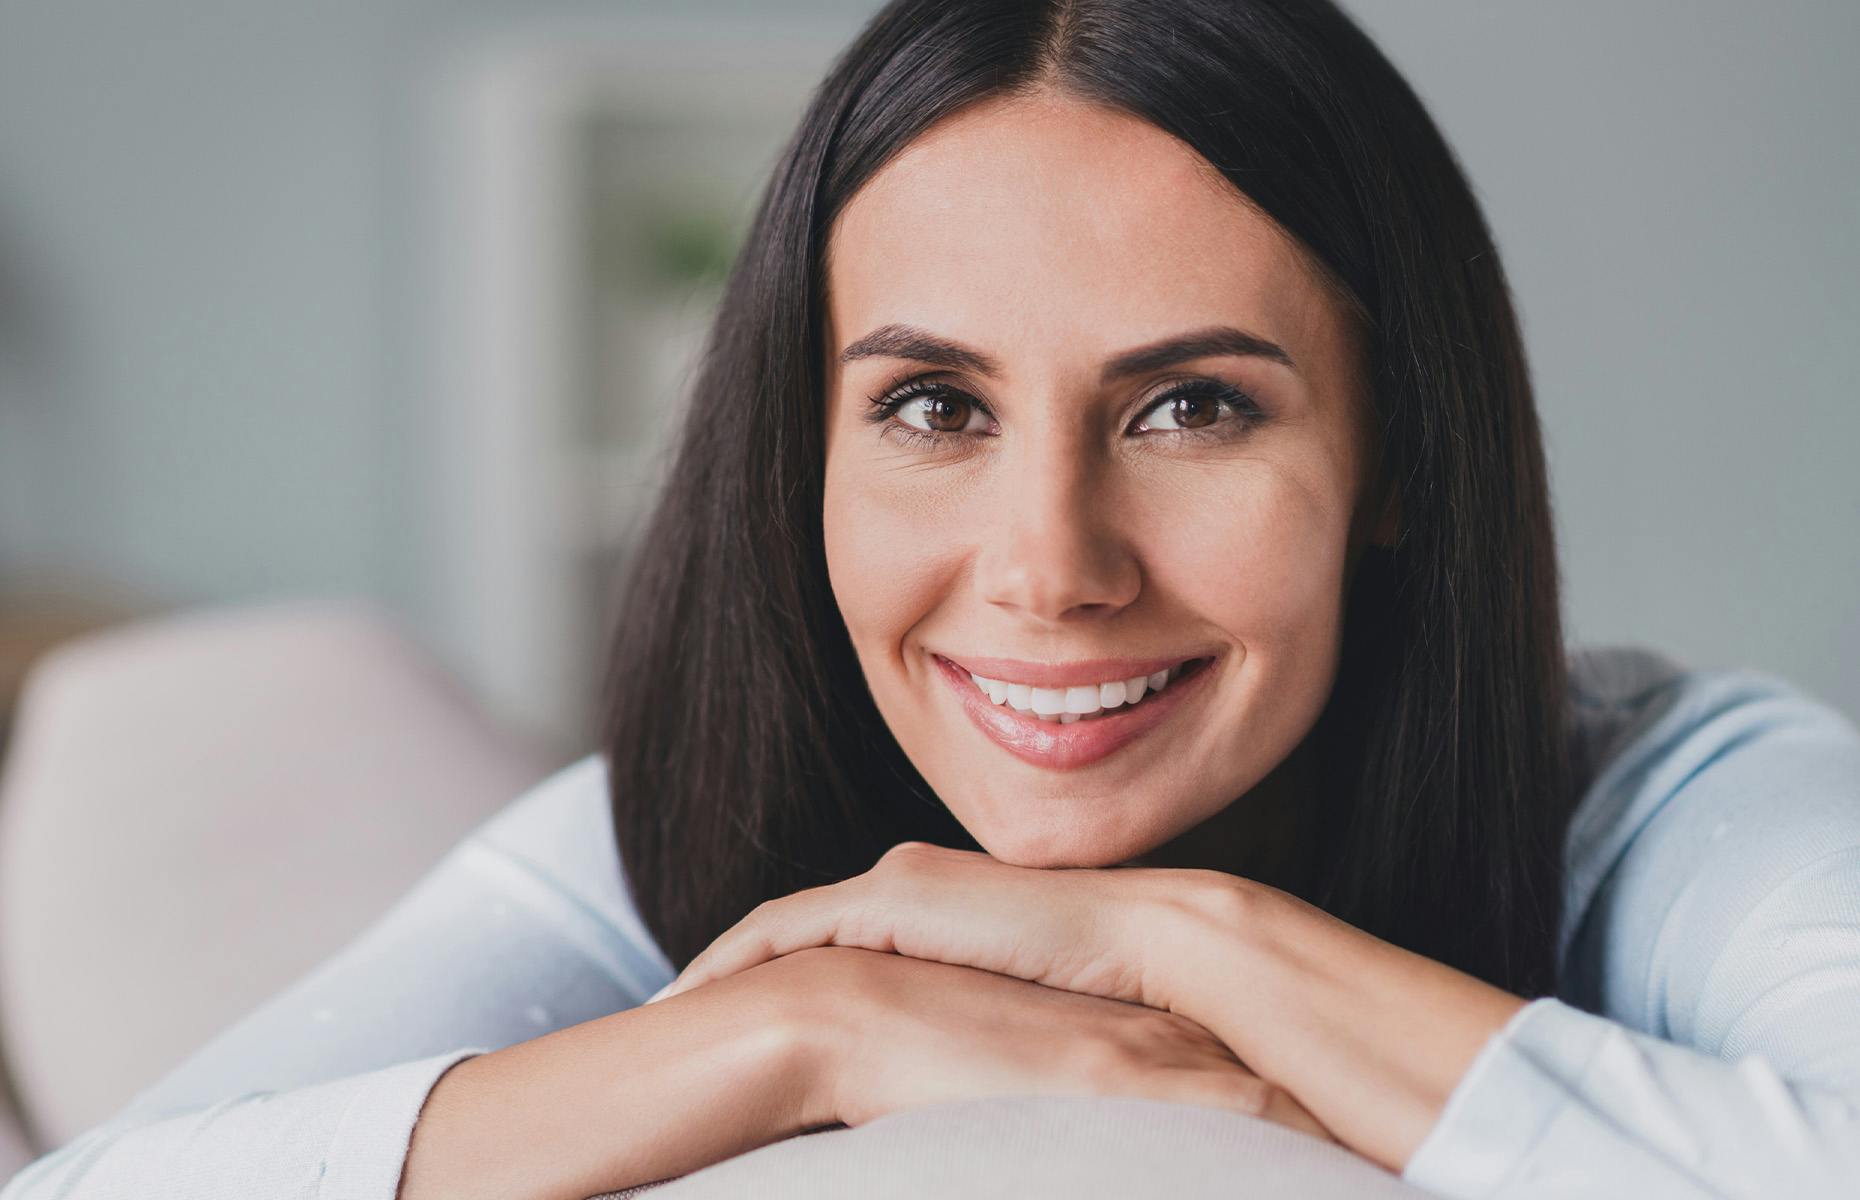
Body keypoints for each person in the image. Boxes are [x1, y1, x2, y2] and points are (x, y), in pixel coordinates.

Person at [7, 1, 1858, 1197]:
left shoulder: (1680, 801)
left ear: (1396, 463)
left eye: (1193, 406)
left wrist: (1184, 942)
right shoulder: (672, 842)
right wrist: (795, 1032)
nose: (1051, 564)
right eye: (932, 406)